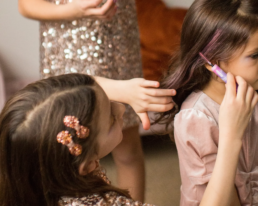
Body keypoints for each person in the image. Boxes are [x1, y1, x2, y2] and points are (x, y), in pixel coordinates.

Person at [0, 73, 254, 206]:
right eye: (111, 117)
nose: (122, 108)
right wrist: (231, 136)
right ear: (87, 165)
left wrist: (123, 88)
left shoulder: (37, 167)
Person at [18, 0, 145, 201]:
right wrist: (73, 10)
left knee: (128, 148)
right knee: (64, 157)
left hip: (119, 42)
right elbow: (26, 5)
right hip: (67, 45)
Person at [157, 0, 258, 205]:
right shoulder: (196, 118)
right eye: (255, 55)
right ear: (212, 61)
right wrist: (233, 133)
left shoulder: (252, 90)